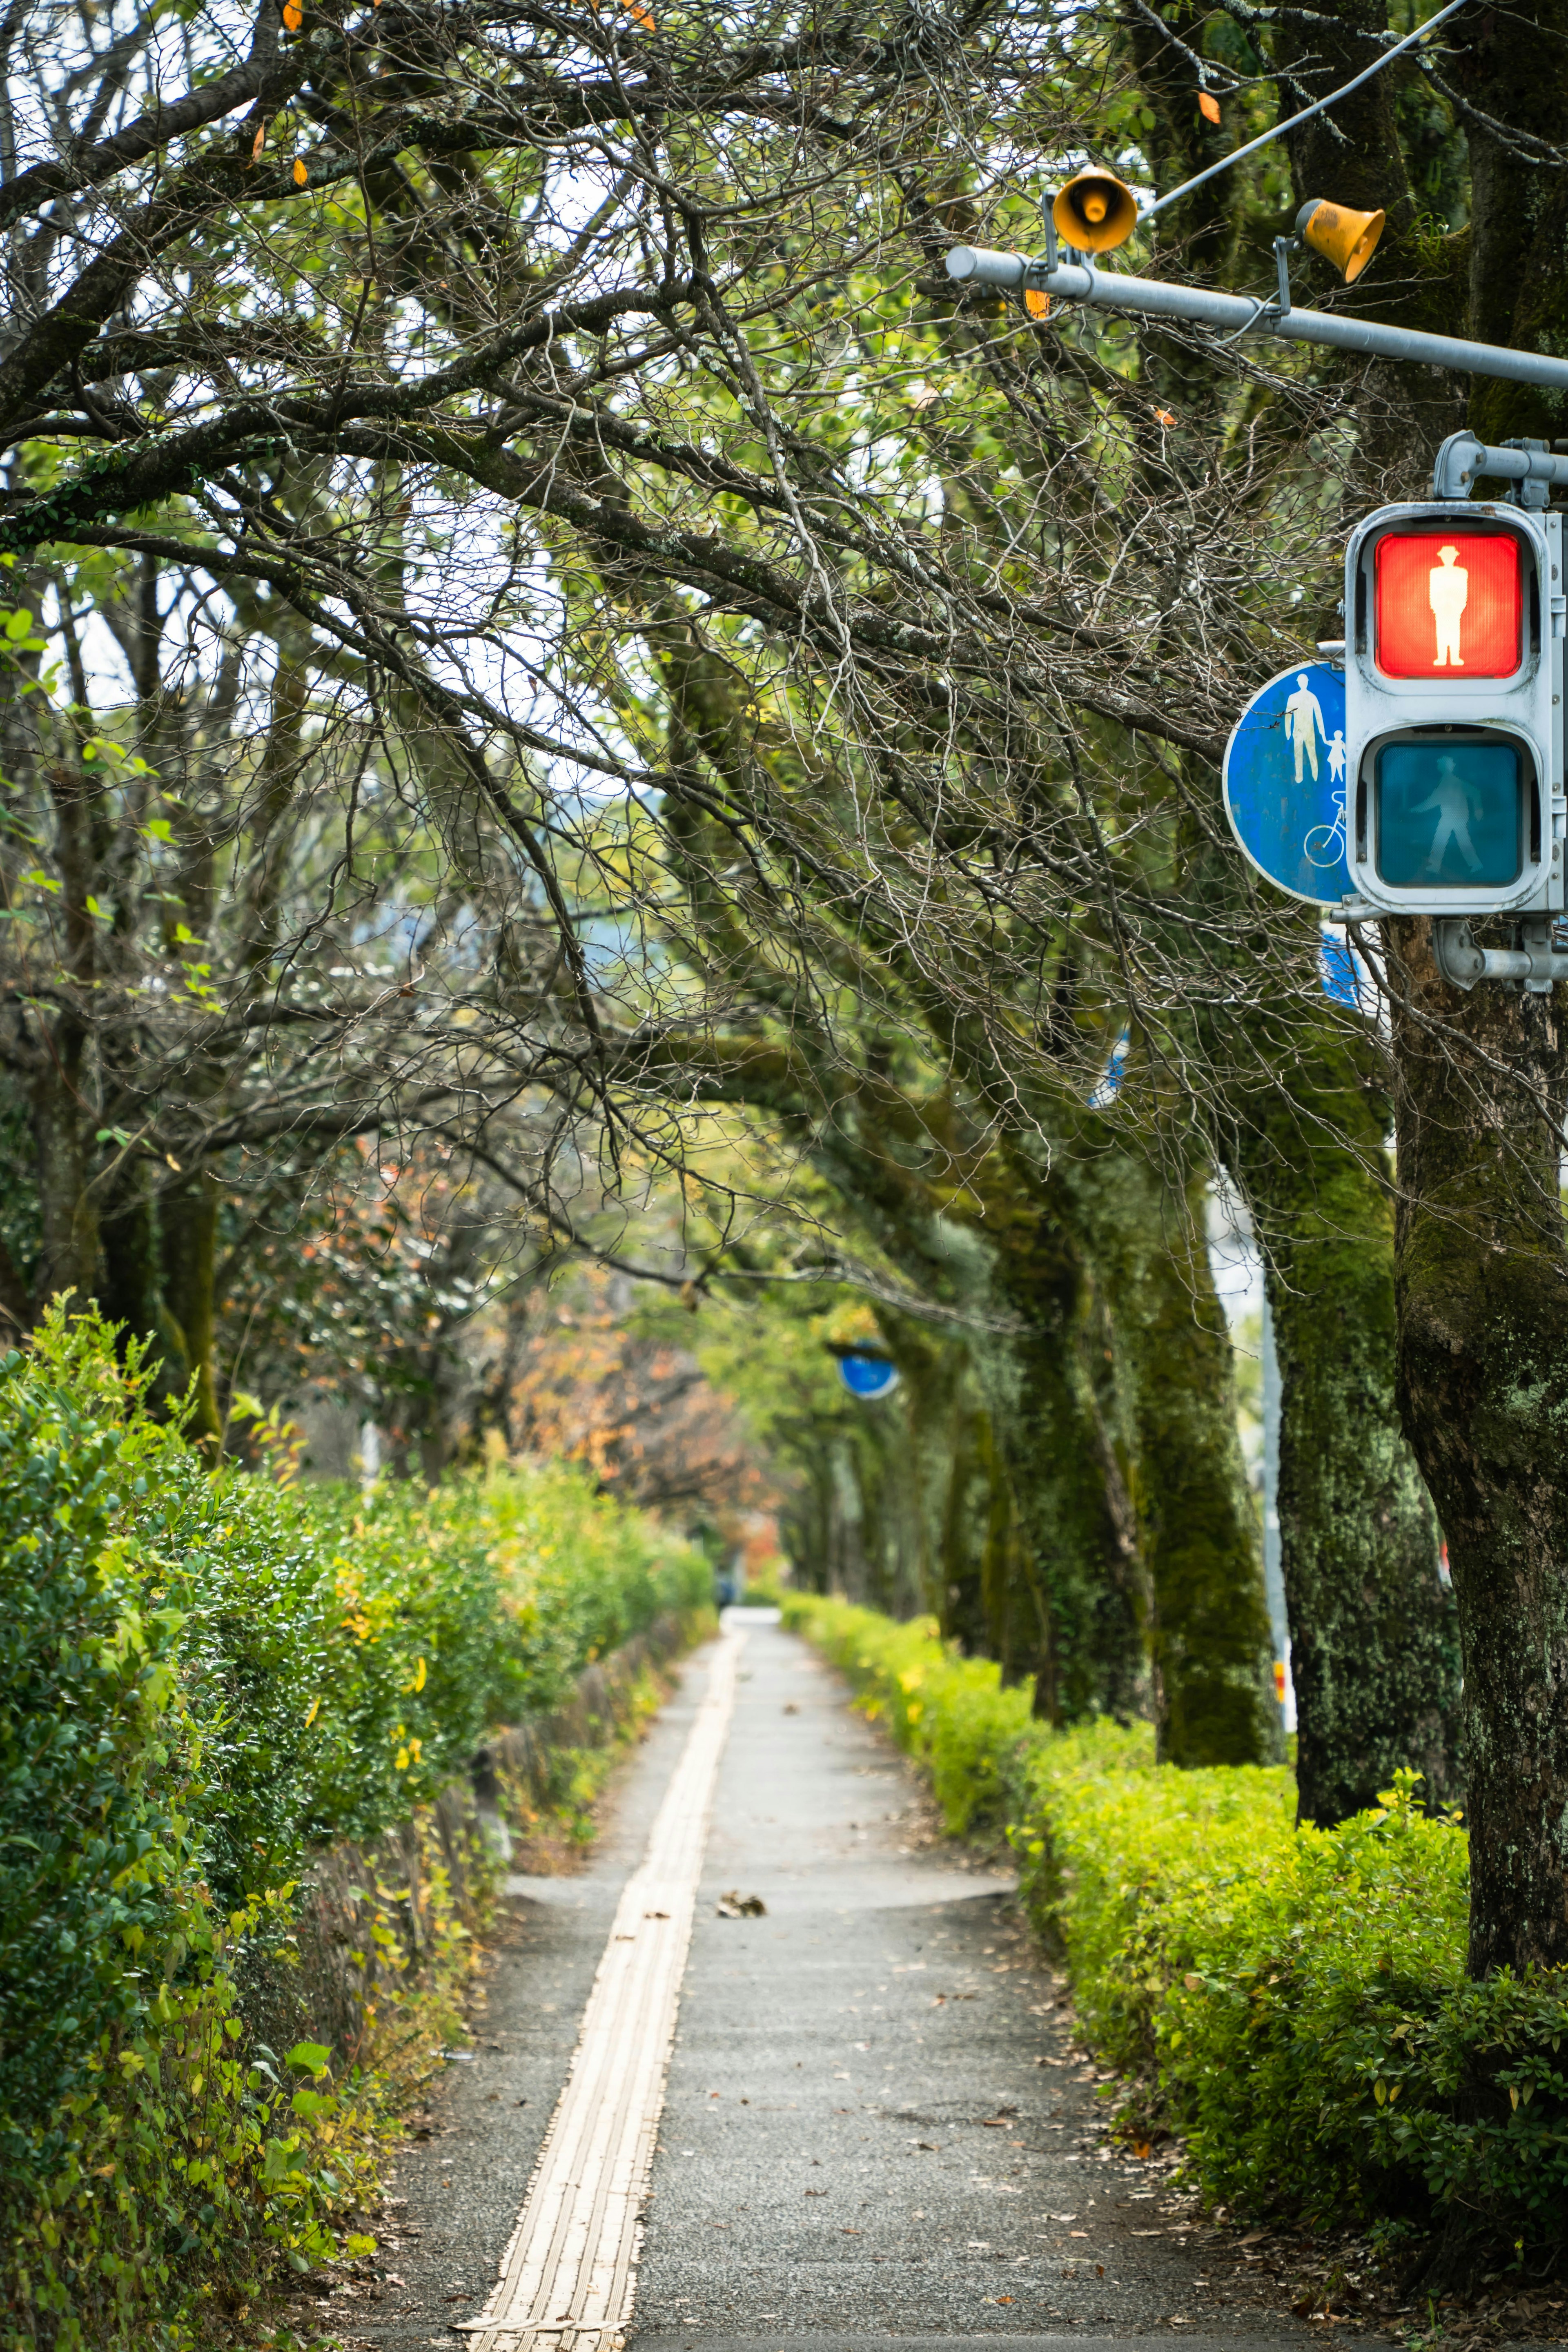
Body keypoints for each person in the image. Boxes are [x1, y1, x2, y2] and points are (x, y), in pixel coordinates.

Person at [1283, 672, 1327, 782]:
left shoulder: (1312, 697)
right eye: (1301, 682)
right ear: (1299, 683)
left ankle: (1316, 776)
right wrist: (1287, 731)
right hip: (1298, 731)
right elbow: (1288, 716)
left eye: (1305, 681)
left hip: (1310, 730)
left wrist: (1322, 732)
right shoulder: (1292, 697)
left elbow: (1318, 715)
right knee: (1298, 754)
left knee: (1312, 753)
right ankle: (1299, 777)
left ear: (1307, 682)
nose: (1303, 683)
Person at [1429, 546, 1469, 668]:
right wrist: (1436, 605)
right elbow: (1433, 590)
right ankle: (1441, 658)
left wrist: (1459, 605)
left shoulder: (1461, 572)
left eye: (1451, 556)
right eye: (1446, 556)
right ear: (1442, 557)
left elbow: (1464, 589)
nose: (1448, 559)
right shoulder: (1435, 573)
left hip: (1455, 607)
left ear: (1455, 557)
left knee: (1454, 633)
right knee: (1441, 633)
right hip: (1440, 607)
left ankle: (1455, 658)